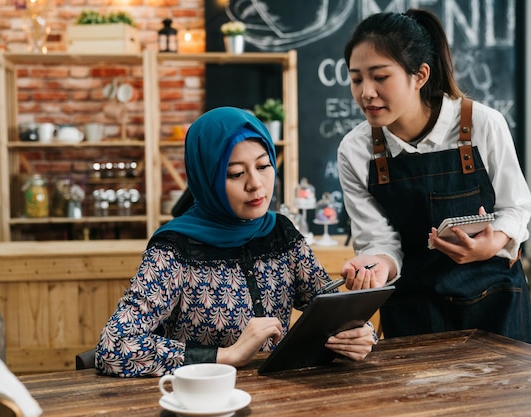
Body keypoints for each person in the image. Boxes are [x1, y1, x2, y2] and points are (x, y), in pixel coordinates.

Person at [96, 107, 377, 377]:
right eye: (236, 174)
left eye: (263, 166)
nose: (256, 184)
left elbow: (328, 309)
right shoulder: (174, 249)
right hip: (204, 401)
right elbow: (113, 346)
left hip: (282, 397)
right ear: (208, 178)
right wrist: (227, 355)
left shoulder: (281, 233)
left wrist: (360, 334)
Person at [337, 9, 531, 343]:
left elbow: (516, 207)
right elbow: (379, 240)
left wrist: (493, 243)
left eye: (380, 77)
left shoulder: (483, 124)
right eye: (356, 79)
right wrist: (377, 266)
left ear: (420, 75)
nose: (366, 92)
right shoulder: (356, 151)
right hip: (413, 311)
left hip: (495, 306)